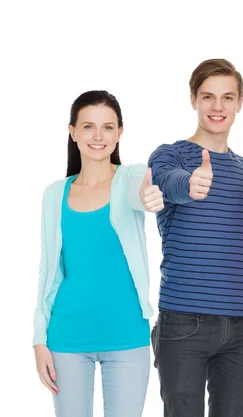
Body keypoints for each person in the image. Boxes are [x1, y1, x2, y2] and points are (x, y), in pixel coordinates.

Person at [33, 90, 164, 417]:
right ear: (73, 132)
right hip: (66, 336)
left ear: (120, 133)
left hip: (127, 334)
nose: (98, 136)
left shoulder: (130, 178)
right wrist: (39, 339)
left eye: (108, 127)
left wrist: (153, 193)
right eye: (88, 126)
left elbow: (144, 187)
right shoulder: (54, 195)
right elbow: (48, 271)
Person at [148, 58, 243, 417]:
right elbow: (165, 180)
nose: (218, 107)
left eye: (227, 98)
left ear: (239, 103)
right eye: (208, 97)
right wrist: (190, 184)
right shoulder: (172, 155)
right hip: (184, 322)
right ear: (193, 100)